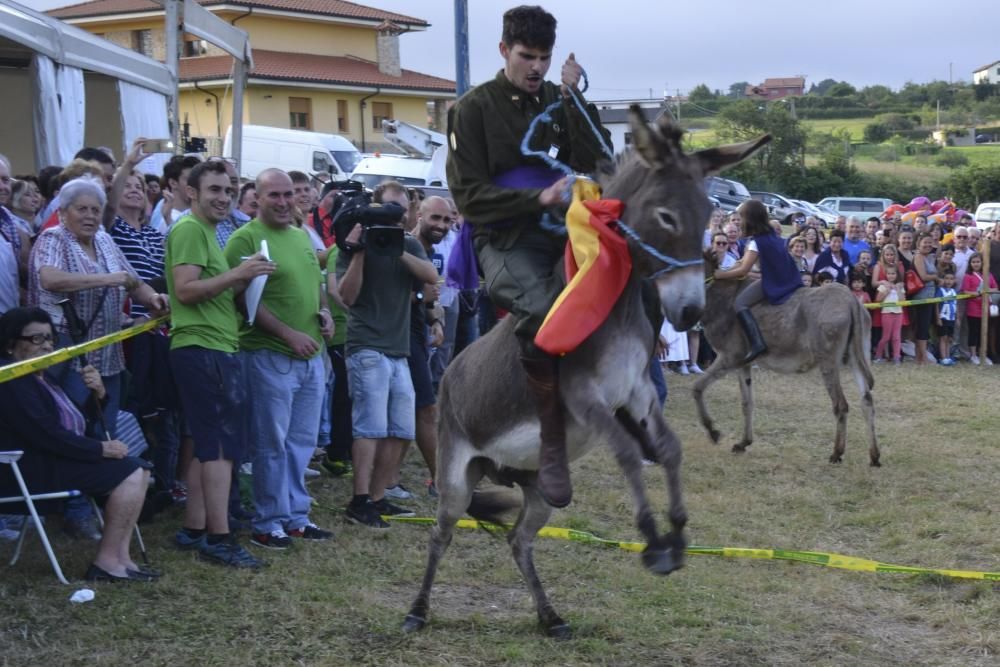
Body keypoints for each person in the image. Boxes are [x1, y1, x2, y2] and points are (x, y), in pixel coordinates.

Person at [445, 5, 611, 508]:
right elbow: (468, 197)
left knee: (619, 292)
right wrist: (534, 199)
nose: (536, 67)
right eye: (526, 56)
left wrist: (572, 96)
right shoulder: (471, 109)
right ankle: (552, 446)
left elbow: (600, 157)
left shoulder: (558, 102)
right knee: (545, 313)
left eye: (544, 57)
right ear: (503, 51)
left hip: (563, 232)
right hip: (502, 239)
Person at [166, 160, 274, 568]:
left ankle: (196, 527)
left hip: (212, 345)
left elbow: (206, 292)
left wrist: (244, 279)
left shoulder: (206, 230)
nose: (223, 197)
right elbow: (186, 290)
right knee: (219, 448)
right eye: (214, 189)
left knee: (207, 445)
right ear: (191, 192)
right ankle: (219, 538)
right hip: (202, 348)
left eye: (228, 190)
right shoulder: (191, 229)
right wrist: (238, 274)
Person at [0, 307, 157, 582]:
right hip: (29, 470)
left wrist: (100, 395)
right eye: (36, 339)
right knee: (130, 472)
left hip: (56, 461)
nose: (47, 345)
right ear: (11, 345)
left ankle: (122, 558)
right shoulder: (12, 381)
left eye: (49, 338)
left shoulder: (44, 380)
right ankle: (106, 562)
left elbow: (79, 425)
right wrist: (100, 450)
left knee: (139, 469)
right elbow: (45, 434)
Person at [223, 169, 334, 549]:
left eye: (289, 194)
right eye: (275, 195)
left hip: (311, 356)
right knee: (271, 443)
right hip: (269, 355)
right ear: (257, 196)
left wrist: (326, 315)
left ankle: (296, 516)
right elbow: (242, 299)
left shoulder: (301, 236)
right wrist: (288, 334)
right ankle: (267, 521)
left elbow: (315, 283)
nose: (285, 202)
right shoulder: (247, 237)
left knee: (301, 442)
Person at [29, 176, 168, 438]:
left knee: (106, 427)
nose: (90, 216)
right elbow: (50, 278)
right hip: (68, 351)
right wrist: (106, 279)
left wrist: (154, 299)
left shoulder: (104, 240)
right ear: (62, 212)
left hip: (108, 354)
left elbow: (132, 282)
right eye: (82, 209)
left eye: (95, 210)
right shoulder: (54, 238)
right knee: (72, 424)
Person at [336, 182, 438, 528]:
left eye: (400, 210)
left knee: (402, 427)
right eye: (386, 209)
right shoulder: (351, 245)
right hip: (366, 346)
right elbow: (346, 297)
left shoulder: (407, 243)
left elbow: (431, 276)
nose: (393, 217)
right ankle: (359, 500)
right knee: (370, 427)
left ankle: (378, 497)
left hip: (398, 349)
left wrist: (397, 250)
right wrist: (363, 252)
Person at [713, 199, 801, 363]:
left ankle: (756, 343)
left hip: (775, 282)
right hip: (789, 278)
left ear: (750, 219)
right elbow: (741, 262)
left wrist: (718, 275)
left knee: (739, 304)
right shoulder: (769, 236)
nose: (739, 223)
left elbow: (743, 269)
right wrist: (726, 271)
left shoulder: (755, 242)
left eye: (741, 218)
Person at [961, 252, 995, 366]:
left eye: (978, 262)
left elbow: (995, 288)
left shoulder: (988, 275)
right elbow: (965, 291)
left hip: (986, 308)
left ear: (982, 263)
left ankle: (983, 354)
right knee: (974, 332)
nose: (976, 264)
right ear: (970, 264)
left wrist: (988, 290)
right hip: (973, 309)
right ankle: (973, 355)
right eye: (973, 262)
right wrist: (977, 293)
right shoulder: (968, 276)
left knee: (984, 332)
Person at [910, 233, 938, 365]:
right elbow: (923, 276)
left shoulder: (930, 257)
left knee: (924, 326)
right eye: (924, 242)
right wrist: (937, 278)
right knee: (922, 326)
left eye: (929, 242)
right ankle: (923, 357)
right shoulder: (919, 256)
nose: (927, 245)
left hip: (930, 295)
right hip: (922, 295)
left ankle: (919, 357)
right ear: (918, 244)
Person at [873, 264, 904, 364]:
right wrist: (887, 291)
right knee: (886, 337)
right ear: (886, 275)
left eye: (893, 273)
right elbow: (878, 299)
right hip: (886, 313)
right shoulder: (883, 286)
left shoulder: (899, 285)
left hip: (898, 313)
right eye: (889, 274)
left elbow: (903, 300)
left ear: (896, 274)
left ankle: (896, 357)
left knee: (896, 337)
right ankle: (878, 356)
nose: (891, 276)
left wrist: (898, 289)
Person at [935, 271, 958, 367]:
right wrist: (938, 318)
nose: (949, 281)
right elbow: (936, 304)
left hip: (951, 318)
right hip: (943, 317)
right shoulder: (940, 290)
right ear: (943, 280)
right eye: (947, 278)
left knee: (949, 338)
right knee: (943, 337)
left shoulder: (954, 291)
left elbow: (956, 305)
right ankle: (943, 357)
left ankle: (948, 357)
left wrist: (957, 318)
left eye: (951, 279)